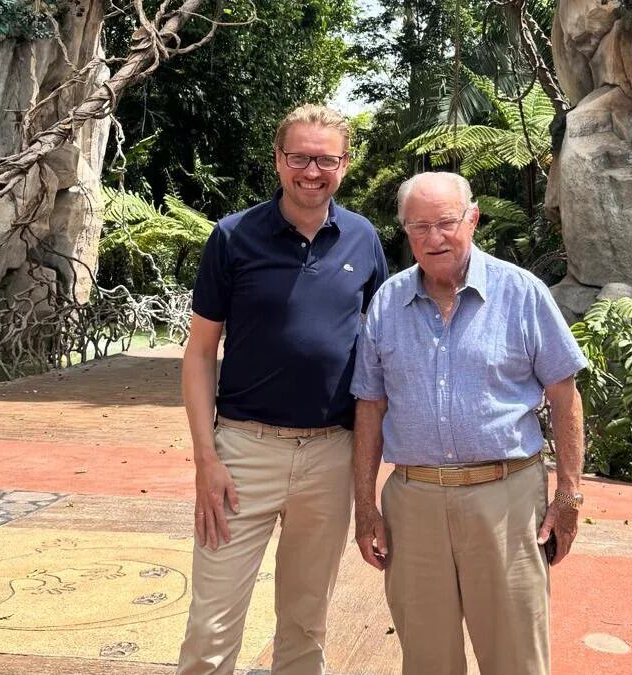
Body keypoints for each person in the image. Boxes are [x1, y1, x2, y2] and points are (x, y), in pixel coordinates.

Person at [177, 104, 389, 675]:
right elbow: (199, 354)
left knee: (305, 621)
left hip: (329, 455)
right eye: (300, 157)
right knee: (212, 627)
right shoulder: (233, 236)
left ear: (345, 164)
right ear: (278, 160)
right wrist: (206, 460)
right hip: (243, 453)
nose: (311, 171)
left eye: (325, 159)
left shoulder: (364, 240)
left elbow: (381, 351)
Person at [350, 172, 587, 675]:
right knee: (427, 660)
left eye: (446, 223)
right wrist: (364, 506)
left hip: (506, 499)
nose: (434, 238)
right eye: (419, 227)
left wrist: (568, 494)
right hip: (413, 503)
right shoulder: (387, 303)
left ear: (472, 220)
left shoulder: (522, 293)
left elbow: (565, 397)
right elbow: (369, 406)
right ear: (405, 232)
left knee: (515, 658)